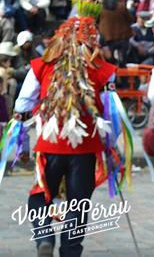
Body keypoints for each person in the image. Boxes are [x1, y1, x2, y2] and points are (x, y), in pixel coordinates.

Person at [13, 16, 118, 257]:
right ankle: (70, 252)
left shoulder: (42, 65)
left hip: (50, 144)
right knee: (78, 204)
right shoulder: (103, 69)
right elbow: (111, 113)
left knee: (39, 198)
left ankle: (45, 238)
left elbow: (22, 104)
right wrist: (112, 146)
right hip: (85, 148)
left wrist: (22, 141)